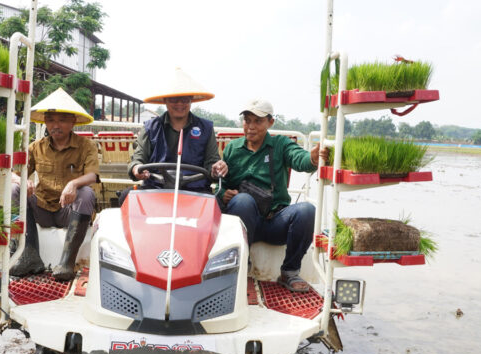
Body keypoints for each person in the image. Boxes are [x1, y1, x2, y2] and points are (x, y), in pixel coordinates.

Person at [218, 99, 328, 293]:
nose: (251, 127)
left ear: (270, 122)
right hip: (244, 221)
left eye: (258, 121)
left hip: (275, 221)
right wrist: (224, 195)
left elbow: (299, 159)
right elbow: (220, 186)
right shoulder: (232, 149)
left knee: (307, 210)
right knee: (242, 200)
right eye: (247, 120)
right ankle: (242, 266)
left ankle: (290, 272)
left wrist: (312, 158)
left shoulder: (280, 144)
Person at [10, 88, 99, 280]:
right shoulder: (36, 147)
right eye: (50, 120)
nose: (55, 125)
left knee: (86, 193)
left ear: (73, 122)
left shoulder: (86, 146)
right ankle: (29, 255)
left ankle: (67, 263)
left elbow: (92, 175)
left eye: (62, 120)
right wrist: (22, 180)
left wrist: (74, 184)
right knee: (14, 189)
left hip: (68, 211)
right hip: (42, 209)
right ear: (45, 122)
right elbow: (13, 174)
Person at [121, 68, 227, 204]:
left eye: (185, 99)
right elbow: (138, 159)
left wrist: (216, 168)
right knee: (126, 197)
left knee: (216, 203)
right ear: (165, 100)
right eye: (173, 99)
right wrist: (137, 168)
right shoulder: (150, 128)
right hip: (156, 189)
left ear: (191, 100)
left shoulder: (205, 128)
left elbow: (212, 162)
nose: (179, 104)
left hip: (196, 191)